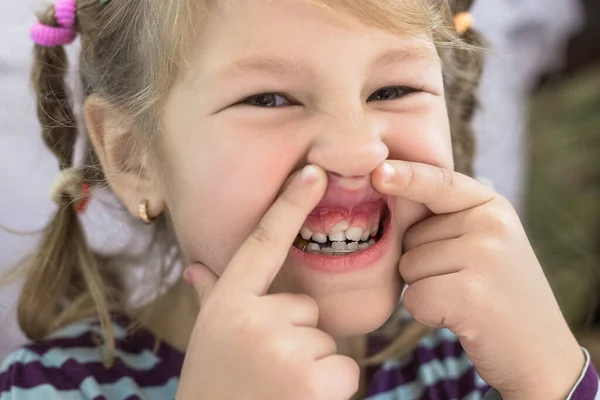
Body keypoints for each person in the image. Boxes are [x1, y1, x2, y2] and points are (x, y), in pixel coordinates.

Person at [0, 0, 597, 398]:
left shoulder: (481, 365)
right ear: (135, 158)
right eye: (268, 99)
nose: (357, 147)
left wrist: (554, 378)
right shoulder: (44, 389)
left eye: (394, 88)